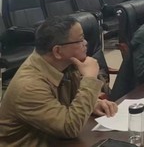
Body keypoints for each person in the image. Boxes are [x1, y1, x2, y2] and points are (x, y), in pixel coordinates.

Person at [0, 16, 118, 146]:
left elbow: (70, 99)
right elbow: (69, 128)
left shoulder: (65, 64)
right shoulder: (29, 86)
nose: (85, 43)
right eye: (80, 40)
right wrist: (90, 79)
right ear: (57, 51)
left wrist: (93, 104)